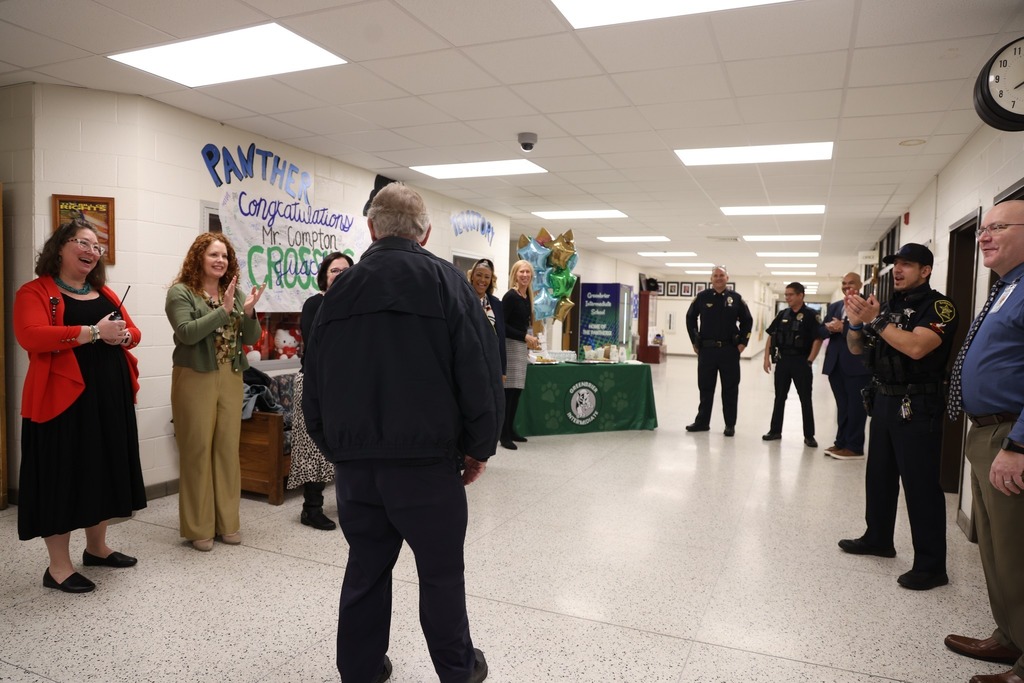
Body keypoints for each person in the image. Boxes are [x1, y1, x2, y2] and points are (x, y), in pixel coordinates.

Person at [303, 183, 500, 683]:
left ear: (371, 227)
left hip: (357, 468)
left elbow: (316, 378)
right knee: (439, 573)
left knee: (366, 569)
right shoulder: (448, 284)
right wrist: (478, 448)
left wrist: (336, 448)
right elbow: (477, 371)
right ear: (426, 231)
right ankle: (457, 669)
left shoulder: (337, 293)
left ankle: (361, 669)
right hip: (427, 465)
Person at [14, 222, 146, 593]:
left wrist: (122, 335)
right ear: (60, 248)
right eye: (83, 242)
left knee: (101, 469)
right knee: (61, 475)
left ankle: (97, 548)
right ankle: (58, 568)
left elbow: (134, 332)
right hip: (60, 401)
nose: (92, 250)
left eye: (97, 246)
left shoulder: (102, 290)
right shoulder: (35, 291)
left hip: (107, 398)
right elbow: (30, 335)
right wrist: (91, 332)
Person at [837, 243, 958, 591]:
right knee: (879, 476)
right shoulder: (890, 306)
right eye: (896, 265)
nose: (899, 270)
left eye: (907, 264)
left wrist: (874, 319)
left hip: (917, 404)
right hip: (885, 400)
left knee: (920, 485)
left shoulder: (940, 306)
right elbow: (857, 348)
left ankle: (932, 566)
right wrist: (857, 325)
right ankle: (878, 538)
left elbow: (917, 347)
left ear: (926, 270)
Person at [943, 202, 1024, 683]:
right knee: (994, 547)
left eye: (998, 227)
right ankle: (1010, 635)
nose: (984, 236)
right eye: (984, 227)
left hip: (1011, 435)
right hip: (985, 431)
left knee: (1017, 549)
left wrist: (1018, 446)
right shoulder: (1006, 287)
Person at [165, 233, 265, 552]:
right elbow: (187, 333)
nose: (220, 260)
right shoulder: (180, 293)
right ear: (199, 258)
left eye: (224, 255)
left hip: (230, 376)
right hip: (194, 377)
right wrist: (222, 311)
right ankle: (199, 527)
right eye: (213, 255)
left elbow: (250, 336)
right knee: (196, 452)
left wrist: (247, 311)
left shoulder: (231, 292)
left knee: (225, 451)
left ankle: (228, 523)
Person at [287, 251, 353, 531]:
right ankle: (311, 508)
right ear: (324, 277)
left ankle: (348, 502)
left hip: (349, 384)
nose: (340, 275)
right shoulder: (316, 303)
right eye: (334, 271)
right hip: (315, 383)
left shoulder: (359, 303)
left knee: (348, 444)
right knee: (314, 447)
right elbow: (317, 341)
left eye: (346, 271)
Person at [684, 265, 752, 437]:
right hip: (707, 350)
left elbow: (747, 321)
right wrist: (694, 340)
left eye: (721, 275)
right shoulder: (702, 297)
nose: (718, 278)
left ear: (727, 278)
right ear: (711, 279)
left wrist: (743, 342)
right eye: (715, 275)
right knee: (705, 388)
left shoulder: (736, 299)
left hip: (729, 350)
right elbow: (690, 318)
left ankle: (730, 425)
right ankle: (702, 422)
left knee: (730, 389)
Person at [762, 282, 823, 446]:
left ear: (800, 295)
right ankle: (775, 431)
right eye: (786, 294)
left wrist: (810, 360)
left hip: (801, 361)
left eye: (790, 294)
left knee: (805, 399)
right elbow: (771, 335)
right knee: (779, 397)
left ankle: (809, 435)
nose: (787, 297)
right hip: (783, 361)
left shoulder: (811, 315)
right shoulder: (783, 314)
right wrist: (766, 357)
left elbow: (818, 339)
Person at [820, 272, 872, 460]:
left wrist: (844, 328)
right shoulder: (835, 307)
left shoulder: (868, 307)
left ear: (860, 285)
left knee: (856, 407)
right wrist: (828, 328)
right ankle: (841, 442)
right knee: (842, 406)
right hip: (836, 365)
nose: (846, 286)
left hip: (857, 366)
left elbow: (868, 334)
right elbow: (820, 330)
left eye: (851, 283)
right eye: (844, 283)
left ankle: (855, 446)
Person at [501, 259, 541, 450]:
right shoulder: (510, 296)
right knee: (508, 392)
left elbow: (523, 324)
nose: (525, 275)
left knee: (516, 392)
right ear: (515, 274)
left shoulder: (526, 297)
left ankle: (511, 429)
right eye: (521, 272)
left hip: (521, 347)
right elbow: (502, 325)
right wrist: (524, 336)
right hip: (510, 346)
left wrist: (530, 340)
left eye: (527, 272)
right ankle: (503, 434)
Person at [468, 258, 507, 378]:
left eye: (487, 277)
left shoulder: (496, 304)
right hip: (468, 362)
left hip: (491, 364)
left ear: (491, 280)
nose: (482, 280)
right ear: (472, 276)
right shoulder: (462, 300)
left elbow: (500, 337)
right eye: (479, 275)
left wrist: (503, 370)